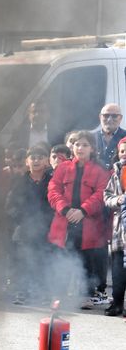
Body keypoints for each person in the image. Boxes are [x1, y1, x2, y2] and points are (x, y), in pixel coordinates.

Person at [47, 131, 110, 309]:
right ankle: (59, 295)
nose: (80, 148)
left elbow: (101, 194)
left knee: (87, 260)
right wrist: (65, 209)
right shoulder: (62, 168)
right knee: (62, 258)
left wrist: (83, 210)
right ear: (72, 147)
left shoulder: (100, 170)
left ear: (92, 148)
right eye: (76, 144)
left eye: (84, 145)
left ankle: (87, 295)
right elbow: (53, 190)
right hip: (64, 222)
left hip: (89, 224)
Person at [5, 146, 54, 305]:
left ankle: (43, 293)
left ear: (47, 161)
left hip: (46, 229)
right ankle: (22, 291)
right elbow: (10, 206)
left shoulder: (52, 181)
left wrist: (45, 221)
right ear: (26, 162)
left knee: (43, 261)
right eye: (32, 157)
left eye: (40, 157)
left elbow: (55, 204)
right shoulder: (19, 182)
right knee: (23, 261)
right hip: (24, 229)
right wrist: (23, 219)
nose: (36, 160)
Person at [103, 137, 126, 316]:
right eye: (122, 151)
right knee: (118, 273)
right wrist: (117, 200)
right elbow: (107, 196)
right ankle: (117, 302)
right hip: (120, 232)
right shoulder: (116, 174)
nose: (125, 154)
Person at [93, 103, 126, 171]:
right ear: (100, 117)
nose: (109, 119)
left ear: (120, 118)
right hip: (96, 180)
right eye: (106, 115)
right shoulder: (90, 138)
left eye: (114, 116)